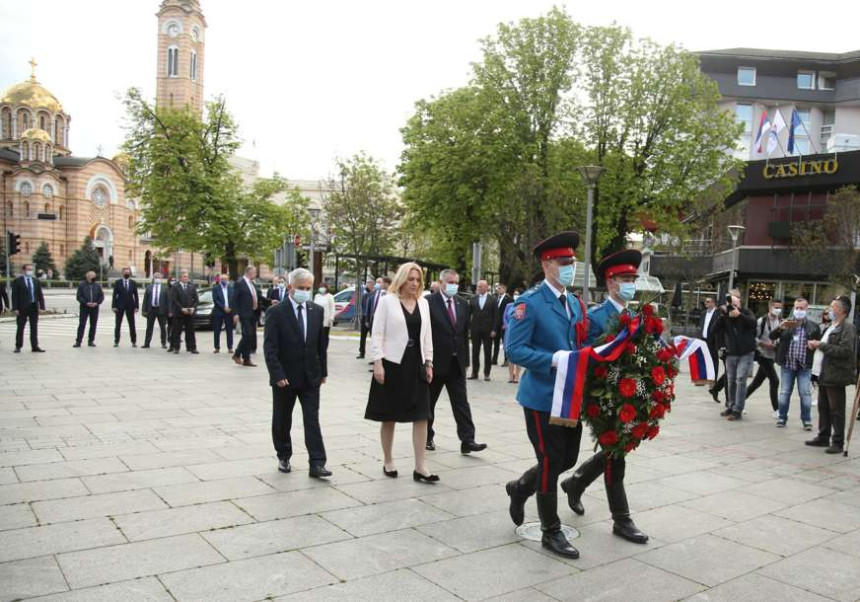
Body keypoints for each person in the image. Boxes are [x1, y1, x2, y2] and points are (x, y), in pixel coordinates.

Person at [504, 231, 585, 559]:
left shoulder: (575, 303)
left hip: (571, 396)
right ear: (547, 264)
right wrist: (553, 359)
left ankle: (521, 487)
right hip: (541, 396)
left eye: (572, 262)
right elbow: (514, 350)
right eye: (563, 262)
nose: (569, 267)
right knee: (551, 461)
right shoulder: (530, 302)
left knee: (567, 459)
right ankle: (551, 531)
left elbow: (579, 343)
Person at [560, 249, 649, 545]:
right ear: (611, 283)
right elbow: (585, 354)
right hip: (604, 396)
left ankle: (577, 482)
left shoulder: (636, 316)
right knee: (616, 453)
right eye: (625, 279)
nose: (630, 284)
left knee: (618, 449)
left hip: (631, 395)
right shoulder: (596, 316)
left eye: (632, 279)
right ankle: (621, 519)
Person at [365, 262, 437, 483]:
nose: (414, 283)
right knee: (389, 416)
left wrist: (429, 361)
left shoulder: (423, 303)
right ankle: (388, 460)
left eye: (418, 280)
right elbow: (376, 334)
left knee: (422, 416)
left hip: (416, 364)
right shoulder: (387, 302)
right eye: (410, 279)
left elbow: (427, 334)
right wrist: (378, 363)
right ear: (402, 279)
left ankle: (420, 466)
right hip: (392, 364)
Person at [264, 268, 332, 478]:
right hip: (285, 378)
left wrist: (323, 372)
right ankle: (283, 454)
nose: (305, 292)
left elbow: (321, 345)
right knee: (283, 418)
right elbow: (270, 347)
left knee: (312, 419)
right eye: (301, 288)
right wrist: (277, 375)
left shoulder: (316, 310)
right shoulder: (276, 313)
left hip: (310, 376)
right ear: (290, 287)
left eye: (308, 288)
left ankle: (317, 463)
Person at [425, 269, 487, 454]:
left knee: (461, 403)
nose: (453, 285)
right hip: (435, 363)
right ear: (441, 282)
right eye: (450, 282)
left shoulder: (462, 303)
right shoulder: (428, 303)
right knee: (429, 403)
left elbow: (463, 334)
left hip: (456, 363)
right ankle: (427, 435)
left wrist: (466, 361)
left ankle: (468, 440)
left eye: (456, 282)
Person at [806, 296, 857, 453]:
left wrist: (821, 345)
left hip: (835, 374)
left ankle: (837, 441)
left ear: (841, 310)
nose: (829, 309)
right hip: (823, 373)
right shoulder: (831, 326)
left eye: (832, 307)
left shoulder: (847, 328)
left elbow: (845, 351)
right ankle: (823, 436)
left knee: (836, 409)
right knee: (823, 407)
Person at [770, 298, 821, 429]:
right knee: (785, 392)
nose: (799, 311)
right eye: (796, 308)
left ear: (806, 309)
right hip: (788, 364)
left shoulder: (813, 327)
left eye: (801, 308)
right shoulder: (786, 323)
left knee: (805, 393)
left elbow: (818, 344)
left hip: (804, 366)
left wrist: (813, 346)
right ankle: (782, 418)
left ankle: (806, 420)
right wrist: (780, 328)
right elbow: (771, 336)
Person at [718, 293, 757, 421]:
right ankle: (731, 405)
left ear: (740, 304)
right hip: (731, 353)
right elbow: (715, 330)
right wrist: (722, 315)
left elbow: (753, 323)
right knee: (731, 380)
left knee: (740, 380)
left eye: (736, 305)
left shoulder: (746, 312)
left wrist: (739, 315)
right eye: (731, 305)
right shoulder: (725, 316)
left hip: (746, 352)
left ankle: (738, 409)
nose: (733, 308)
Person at [745, 299, 783, 417]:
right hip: (762, 354)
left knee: (757, 382)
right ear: (770, 307)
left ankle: (739, 401)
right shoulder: (761, 321)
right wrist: (764, 344)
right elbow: (753, 337)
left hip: (772, 356)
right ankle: (777, 409)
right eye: (775, 307)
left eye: (780, 307)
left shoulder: (781, 322)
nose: (778, 310)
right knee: (775, 381)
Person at [11, 264, 45, 353]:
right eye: (28, 269)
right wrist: (15, 308)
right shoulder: (18, 281)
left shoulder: (35, 281)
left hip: (33, 307)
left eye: (31, 269)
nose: (30, 271)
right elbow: (14, 296)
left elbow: (40, 295)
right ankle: (18, 346)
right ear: (23, 270)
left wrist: (42, 306)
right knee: (20, 327)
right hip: (22, 308)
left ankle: (35, 346)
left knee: (34, 327)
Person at [468, 280, 497, 381]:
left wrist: (494, 329)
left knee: (487, 352)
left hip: (488, 330)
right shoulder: (473, 299)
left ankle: (487, 373)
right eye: (478, 286)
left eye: (480, 286)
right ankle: (474, 373)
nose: (478, 288)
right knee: (475, 352)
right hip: (475, 329)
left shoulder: (492, 300)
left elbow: (496, 316)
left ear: (486, 287)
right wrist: (468, 329)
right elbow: (468, 315)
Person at [233, 265, 262, 367]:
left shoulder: (251, 284)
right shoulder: (240, 283)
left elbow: (258, 297)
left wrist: (271, 301)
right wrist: (235, 313)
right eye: (254, 272)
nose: (256, 274)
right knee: (247, 335)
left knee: (250, 336)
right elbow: (234, 299)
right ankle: (237, 354)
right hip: (244, 313)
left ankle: (246, 358)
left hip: (252, 313)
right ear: (249, 272)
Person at [700, 297, 723, 402]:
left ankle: (713, 382)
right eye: (705, 302)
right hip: (703, 340)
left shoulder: (718, 313)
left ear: (713, 303)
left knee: (714, 362)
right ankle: (704, 379)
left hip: (713, 342)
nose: (706, 303)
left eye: (708, 302)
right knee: (704, 361)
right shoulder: (703, 313)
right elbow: (702, 326)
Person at [170, 270, 198, 354]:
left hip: (190, 313)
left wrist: (193, 307)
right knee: (177, 331)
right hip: (179, 313)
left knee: (190, 331)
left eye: (187, 277)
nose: (186, 278)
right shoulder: (175, 287)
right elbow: (174, 300)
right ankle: (176, 347)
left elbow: (196, 299)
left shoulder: (191, 286)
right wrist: (182, 308)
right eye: (184, 277)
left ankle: (192, 347)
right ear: (180, 278)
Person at [74, 271, 104, 348]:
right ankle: (78, 341)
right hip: (84, 307)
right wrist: (86, 303)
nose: (94, 278)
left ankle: (91, 341)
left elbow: (101, 296)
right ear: (88, 277)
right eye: (92, 276)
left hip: (95, 308)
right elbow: (79, 296)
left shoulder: (97, 285)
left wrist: (97, 303)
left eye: (94, 276)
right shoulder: (82, 285)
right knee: (82, 324)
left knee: (93, 325)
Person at [112, 267, 139, 348]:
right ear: (122, 273)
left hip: (130, 306)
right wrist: (114, 306)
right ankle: (116, 341)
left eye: (128, 272)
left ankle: (133, 341)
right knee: (118, 324)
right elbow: (114, 295)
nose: (127, 274)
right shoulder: (118, 282)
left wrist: (136, 306)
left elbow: (136, 295)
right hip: (119, 306)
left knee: (132, 324)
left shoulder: (133, 283)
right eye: (125, 272)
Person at [142, 273, 168, 349]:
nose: (157, 278)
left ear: (161, 278)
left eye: (159, 277)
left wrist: (168, 310)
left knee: (163, 327)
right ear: (153, 278)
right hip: (151, 310)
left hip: (161, 310)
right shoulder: (149, 287)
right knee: (149, 327)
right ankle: (147, 343)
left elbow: (167, 300)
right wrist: (144, 310)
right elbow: (145, 299)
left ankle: (163, 343)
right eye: (156, 277)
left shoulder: (165, 288)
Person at [212, 274, 234, 354]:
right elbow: (215, 300)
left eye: (225, 279)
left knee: (229, 330)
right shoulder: (216, 289)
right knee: (217, 330)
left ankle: (230, 347)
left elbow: (234, 299)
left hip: (229, 312)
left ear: (228, 280)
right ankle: (217, 347)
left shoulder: (231, 289)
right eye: (222, 279)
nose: (224, 281)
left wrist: (231, 308)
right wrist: (223, 307)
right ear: (220, 280)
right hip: (219, 311)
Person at [493, 284, 513, 366]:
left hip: (504, 324)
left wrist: (506, 323)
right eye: (498, 288)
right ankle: (494, 359)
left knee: (505, 342)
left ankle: (506, 360)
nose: (498, 290)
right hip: (496, 324)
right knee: (496, 342)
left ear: (504, 289)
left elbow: (511, 312)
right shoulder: (496, 298)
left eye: (500, 288)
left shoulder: (509, 299)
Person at [503, 301, 521, 384]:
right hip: (509, 331)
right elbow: (504, 317)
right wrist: (508, 326)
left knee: (518, 354)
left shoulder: (523, 305)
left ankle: (517, 375)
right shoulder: (509, 305)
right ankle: (511, 376)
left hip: (519, 332)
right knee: (510, 353)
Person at [357, 279, 376, 359]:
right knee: (363, 336)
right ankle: (362, 352)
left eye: (368, 284)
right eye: (366, 284)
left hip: (372, 318)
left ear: (372, 285)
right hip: (365, 317)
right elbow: (362, 306)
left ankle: (374, 355)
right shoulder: (365, 295)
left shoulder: (375, 294)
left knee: (373, 337)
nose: (366, 286)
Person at [313, 283, 336, 349]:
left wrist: (331, 318)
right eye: (320, 287)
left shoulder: (330, 296)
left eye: (323, 287)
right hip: (316, 319)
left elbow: (332, 308)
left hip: (326, 320)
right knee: (317, 336)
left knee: (324, 336)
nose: (321, 288)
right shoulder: (317, 296)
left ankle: (324, 349)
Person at [165, 276, 178, 352]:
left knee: (176, 329)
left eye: (174, 280)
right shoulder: (168, 289)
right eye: (172, 280)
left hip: (178, 311)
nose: (173, 281)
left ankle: (175, 344)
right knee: (171, 328)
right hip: (171, 312)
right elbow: (169, 302)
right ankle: (171, 344)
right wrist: (169, 311)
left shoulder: (177, 288)